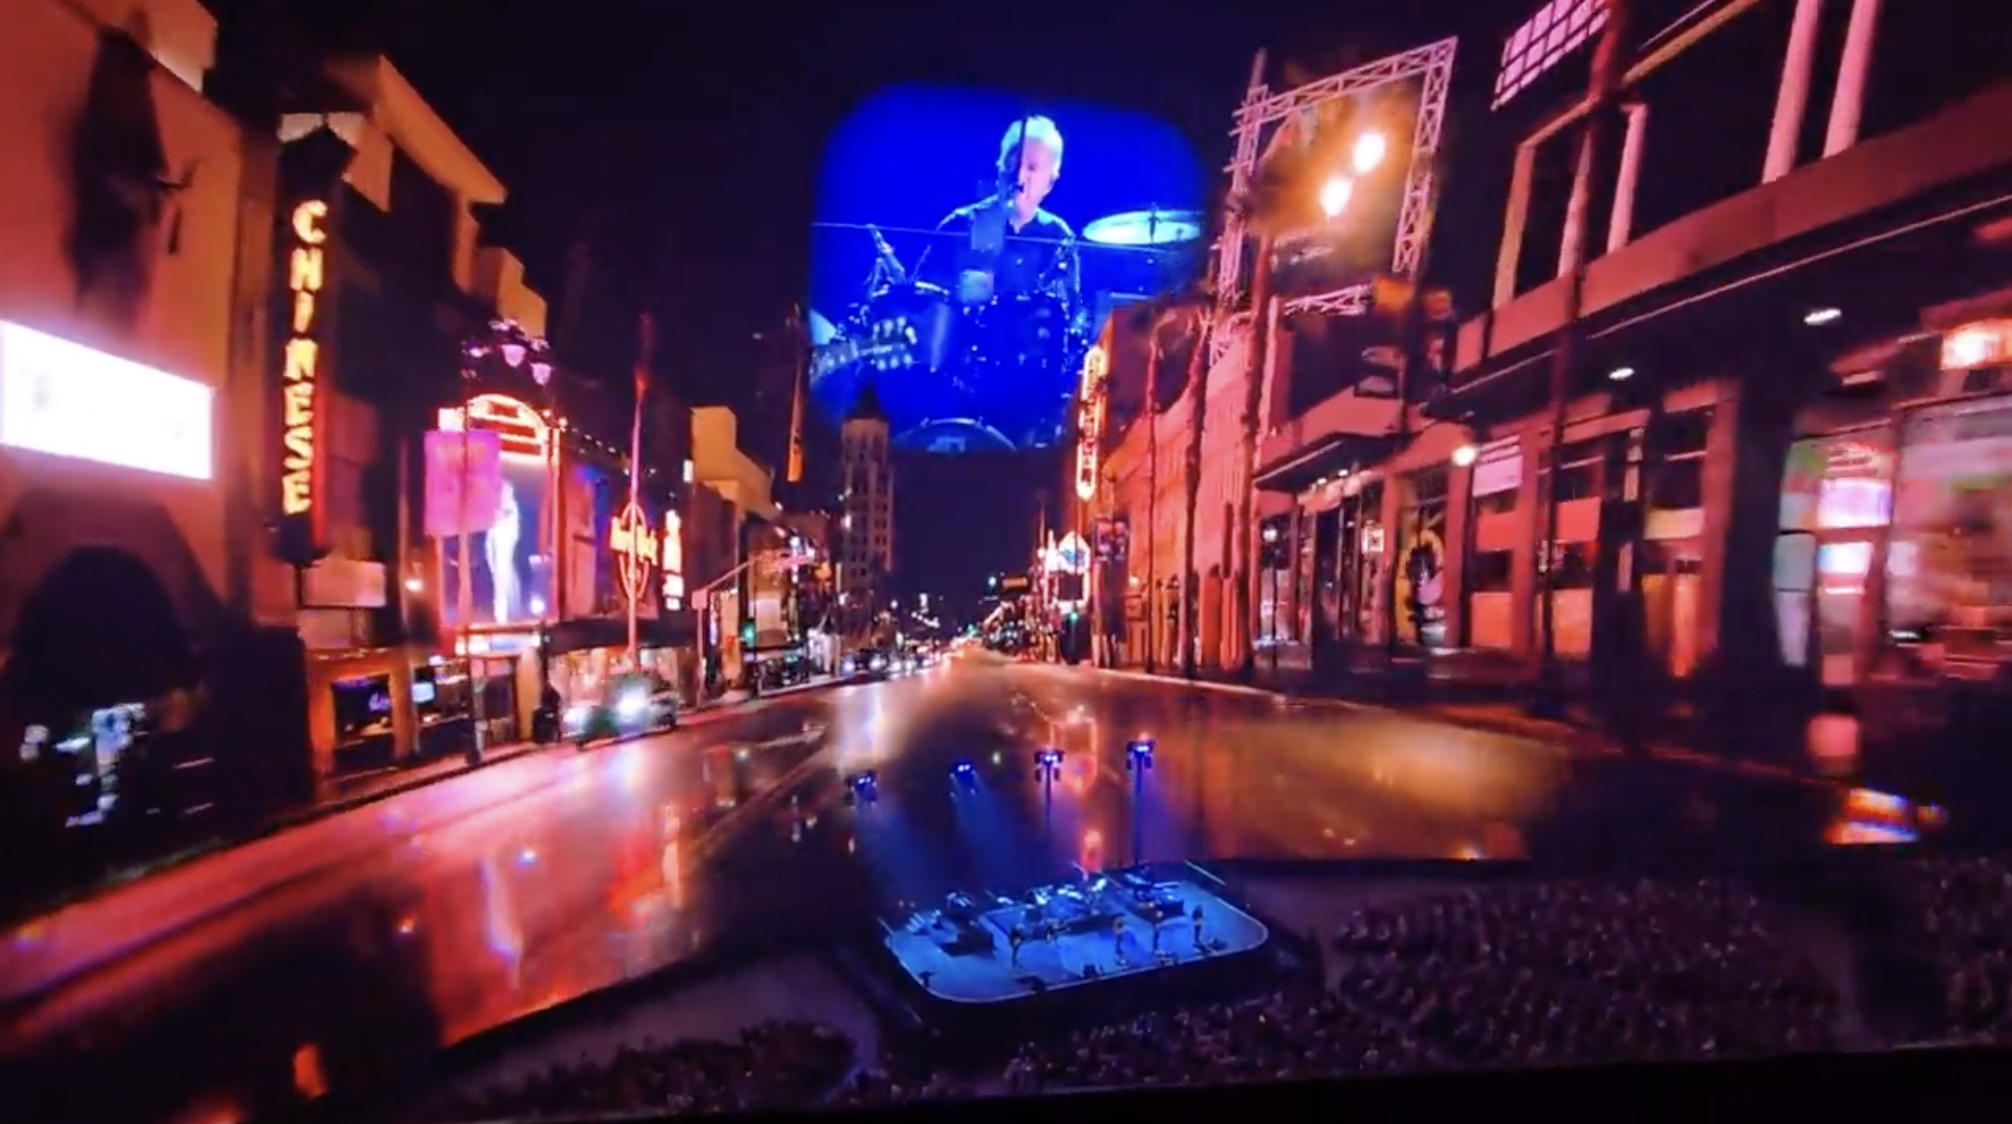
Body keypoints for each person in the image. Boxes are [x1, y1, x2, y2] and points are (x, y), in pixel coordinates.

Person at [916, 115, 1082, 312]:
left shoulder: (1059, 238)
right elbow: (921, 301)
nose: (1019, 176)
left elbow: (1070, 314)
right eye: (1012, 164)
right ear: (999, 167)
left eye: (1032, 168)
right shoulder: (959, 225)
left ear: (1050, 183)